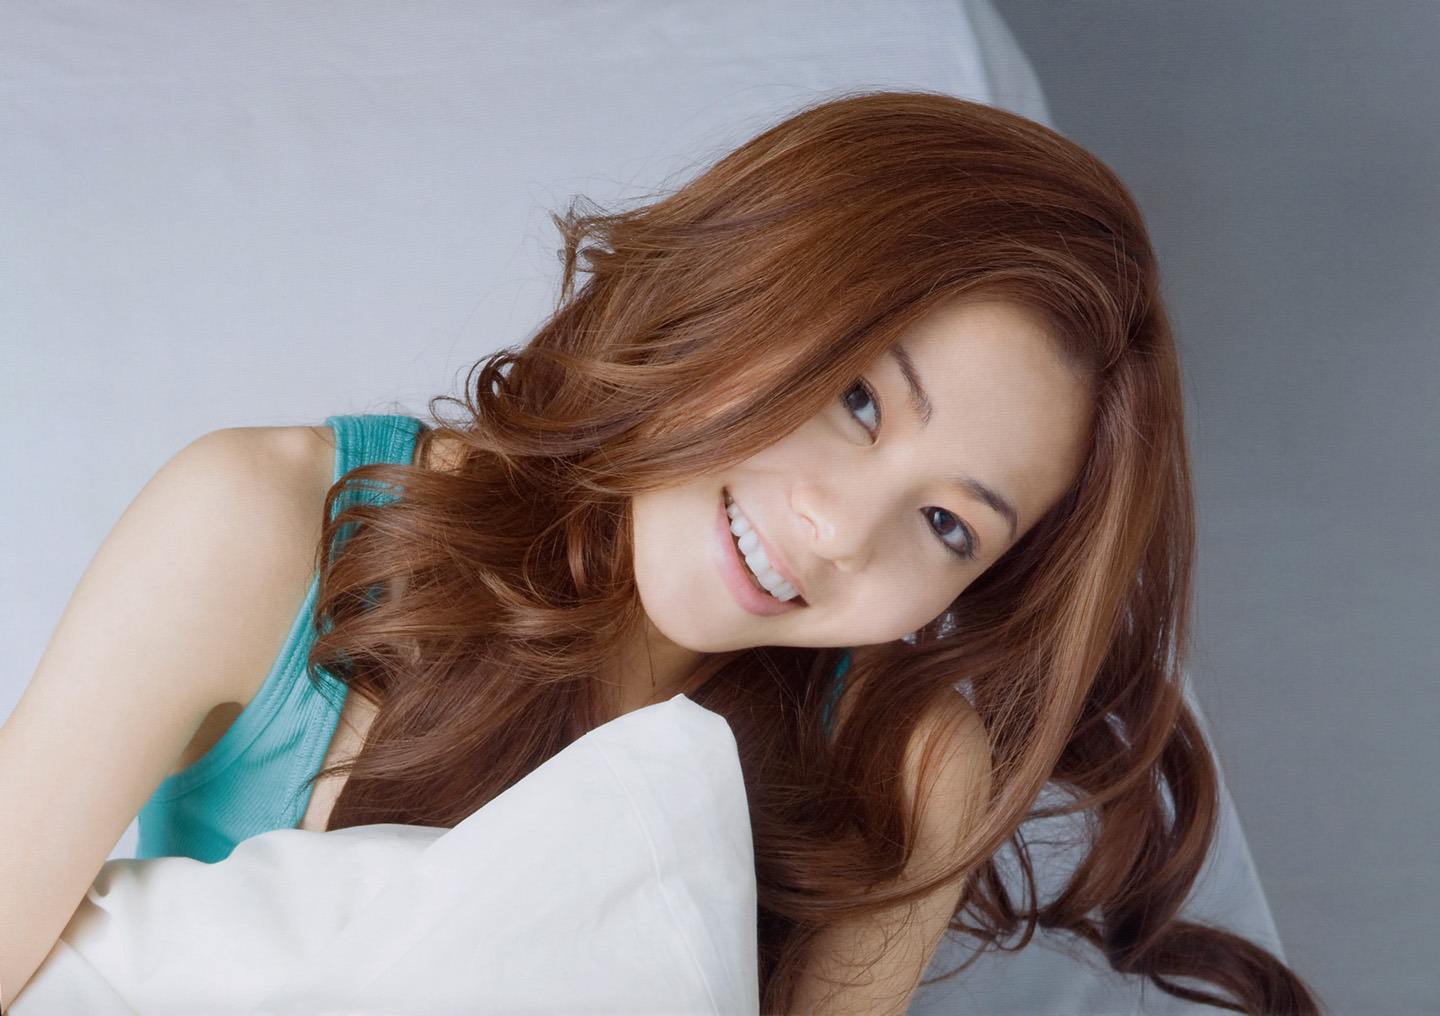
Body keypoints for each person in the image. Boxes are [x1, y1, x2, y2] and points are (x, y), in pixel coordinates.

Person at [0, 90, 1322, 1015]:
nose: (834, 532)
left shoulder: (907, 771)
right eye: (859, 401)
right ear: (750, 279)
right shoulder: (265, 526)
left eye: (946, 526)